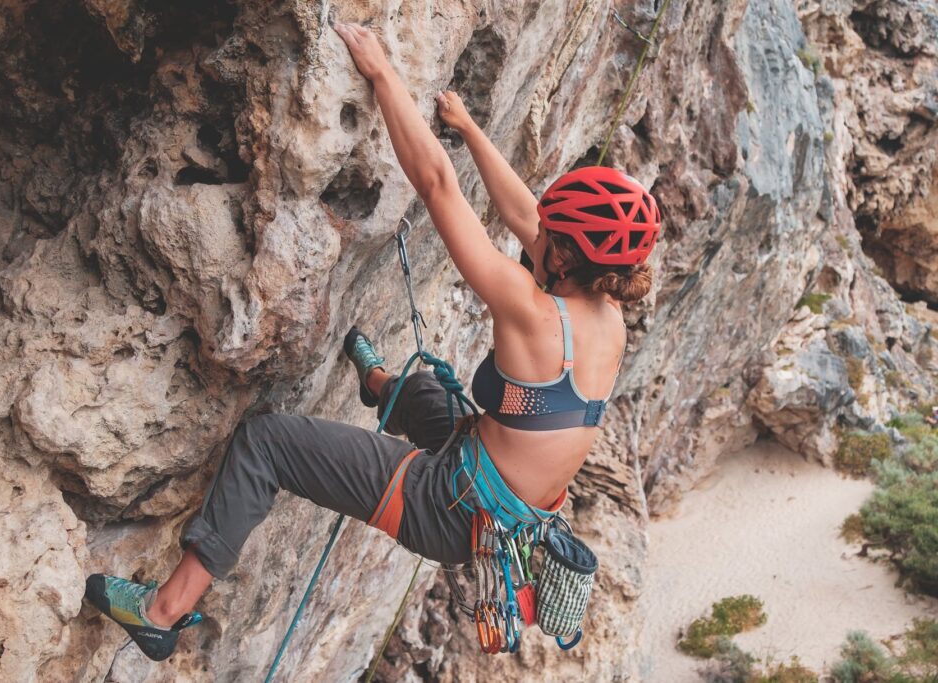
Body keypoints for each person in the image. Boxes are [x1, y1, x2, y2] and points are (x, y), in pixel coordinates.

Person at [83, 20, 661, 661]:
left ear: (563, 257)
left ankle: (163, 612)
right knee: (423, 395)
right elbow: (528, 218)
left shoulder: (529, 311)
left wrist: (383, 73)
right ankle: (379, 384)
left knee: (266, 442)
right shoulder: (605, 319)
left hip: (445, 505)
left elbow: (437, 184)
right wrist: (468, 128)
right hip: (497, 497)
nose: (536, 230)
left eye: (550, 233)